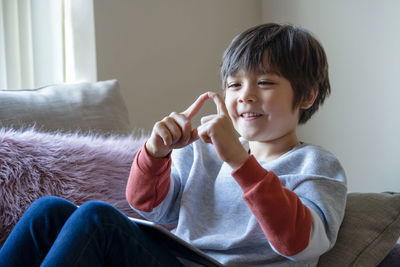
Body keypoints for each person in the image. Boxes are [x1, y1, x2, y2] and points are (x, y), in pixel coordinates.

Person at [0, 23, 346, 267]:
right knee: (48, 211)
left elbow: (298, 243)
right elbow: (149, 206)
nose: (246, 96)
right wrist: (156, 153)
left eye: (265, 82)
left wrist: (241, 162)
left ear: (307, 96)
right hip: (175, 258)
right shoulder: (203, 151)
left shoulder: (316, 165)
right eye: (234, 85)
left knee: (97, 219)